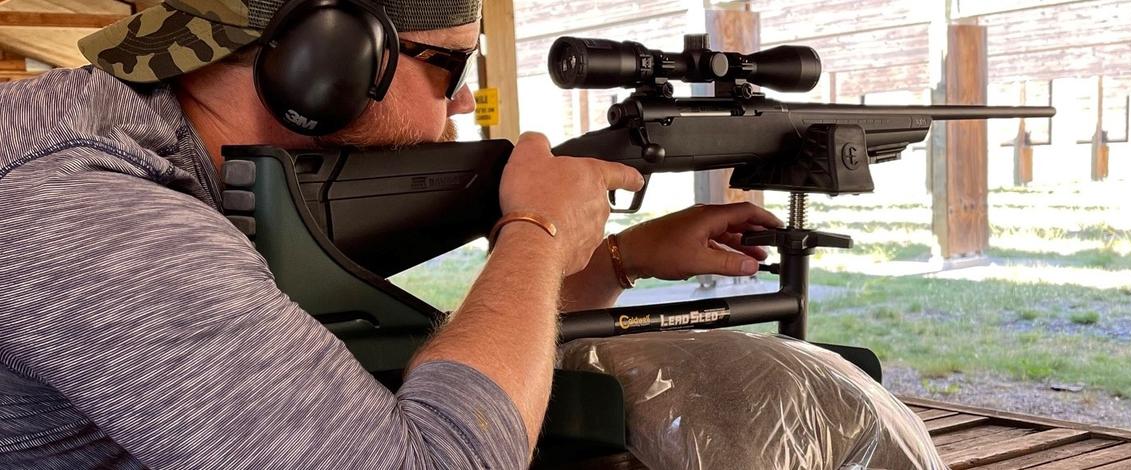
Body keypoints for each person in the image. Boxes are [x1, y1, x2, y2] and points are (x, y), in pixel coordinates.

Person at [0, 0, 783, 468]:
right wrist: (535, 230)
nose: (461, 103)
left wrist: (613, 255)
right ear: (329, 58)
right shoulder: (89, 214)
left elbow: (359, 388)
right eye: (450, 66)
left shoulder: (165, 154)